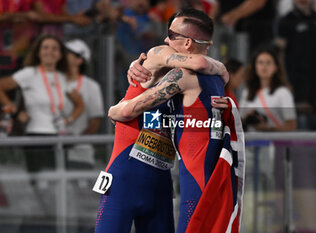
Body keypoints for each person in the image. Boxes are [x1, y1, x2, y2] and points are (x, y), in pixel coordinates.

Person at [109, 9, 244, 233]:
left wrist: (115, 108)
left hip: (182, 187)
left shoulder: (183, 74)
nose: (165, 39)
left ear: (188, 43)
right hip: (206, 182)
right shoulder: (216, 78)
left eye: (171, 35)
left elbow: (124, 113)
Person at [0, 34, 84, 172]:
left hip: (59, 136)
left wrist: (68, 120)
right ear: (38, 52)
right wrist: (15, 112)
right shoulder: (29, 73)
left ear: (60, 54)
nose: (50, 52)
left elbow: (80, 105)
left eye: (54, 48)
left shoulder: (63, 77)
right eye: (45, 48)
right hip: (35, 136)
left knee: (59, 184)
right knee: (40, 184)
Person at [277, 0, 316, 128]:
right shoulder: (286, 20)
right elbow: (280, 54)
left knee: (315, 118)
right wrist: (285, 80)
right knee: (300, 118)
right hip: (295, 78)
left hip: (315, 78)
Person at [64, 39, 104, 169]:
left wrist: (75, 141)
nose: (62, 55)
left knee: (80, 188)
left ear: (79, 60)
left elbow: (95, 122)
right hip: (52, 151)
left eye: (68, 53)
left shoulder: (91, 86)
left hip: (80, 153)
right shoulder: (52, 81)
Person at [239, 47, 297, 132]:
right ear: (255, 67)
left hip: (275, 143)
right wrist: (247, 119)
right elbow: (238, 123)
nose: (264, 66)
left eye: (269, 63)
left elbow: (292, 126)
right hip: (250, 143)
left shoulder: (283, 92)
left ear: (276, 67)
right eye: (260, 62)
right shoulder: (247, 92)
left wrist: (267, 128)